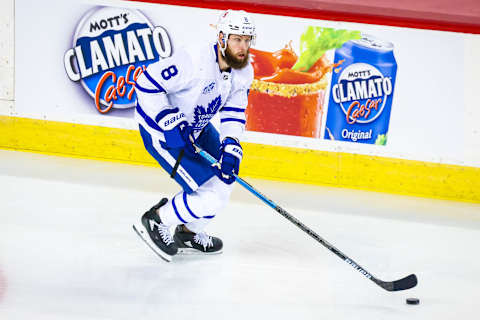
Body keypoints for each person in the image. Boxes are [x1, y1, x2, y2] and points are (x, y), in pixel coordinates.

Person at [132, 9, 256, 262]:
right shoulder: (194, 59)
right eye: (236, 39)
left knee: (225, 183)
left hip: (197, 128)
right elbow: (146, 84)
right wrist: (169, 120)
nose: (243, 46)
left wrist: (231, 145)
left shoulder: (244, 71)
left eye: (246, 40)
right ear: (222, 38)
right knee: (208, 195)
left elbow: (234, 110)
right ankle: (157, 220)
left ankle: (188, 233)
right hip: (164, 132)